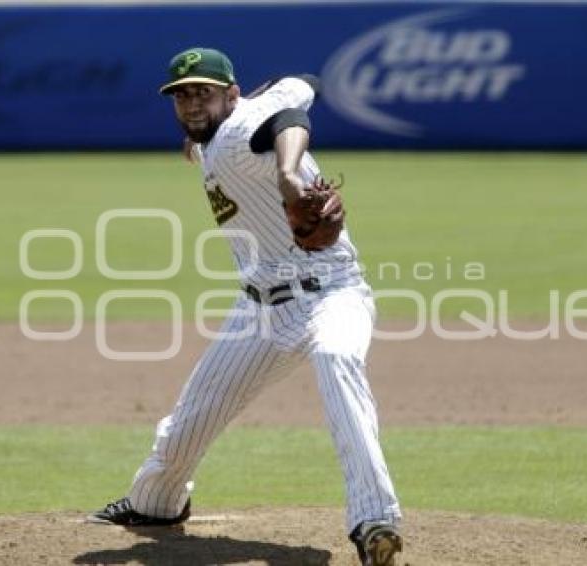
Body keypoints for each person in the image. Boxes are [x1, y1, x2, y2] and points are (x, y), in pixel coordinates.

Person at [89, 47, 403, 566]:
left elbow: (289, 118)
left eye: (204, 93)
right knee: (188, 423)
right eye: (182, 95)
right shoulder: (222, 130)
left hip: (331, 293)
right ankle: (157, 505)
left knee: (335, 359)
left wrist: (287, 174)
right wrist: (211, 133)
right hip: (258, 312)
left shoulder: (240, 133)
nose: (191, 104)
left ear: (230, 95)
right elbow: (300, 85)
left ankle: (375, 521)